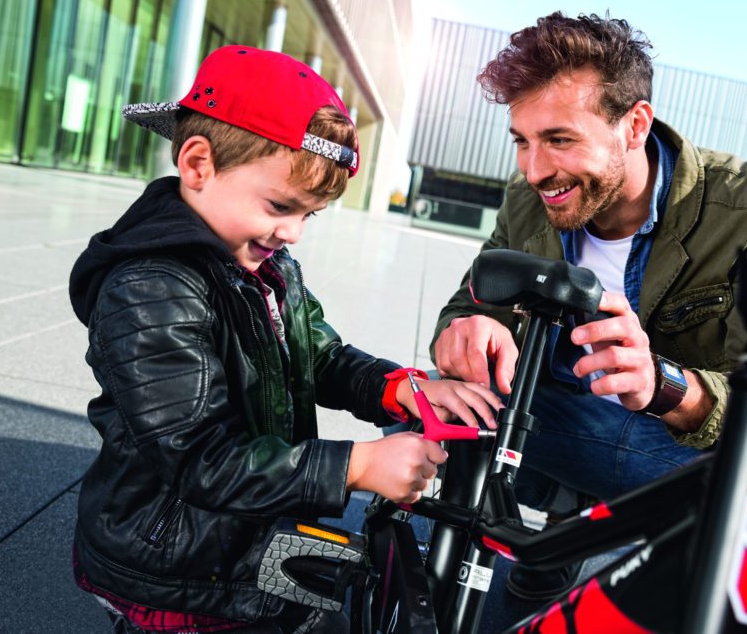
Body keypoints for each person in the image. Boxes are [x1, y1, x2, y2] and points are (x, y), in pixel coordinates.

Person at [68, 45, 502, 633]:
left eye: (310, 216)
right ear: (198, 165)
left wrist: (399, 388)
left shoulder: (259, 262)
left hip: (239, 532)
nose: (293, 232)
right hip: (178, 563)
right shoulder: (149, 289)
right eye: (280, 206)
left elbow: (316, 354)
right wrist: (354, 465)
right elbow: (201, 459)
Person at [430, 13, 747, 600]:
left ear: (634, 125)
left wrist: (664, 386)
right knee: (430, 413)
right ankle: (554, 539)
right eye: (522, 141)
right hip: (560, 425)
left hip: (674, 451)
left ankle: (590, 552)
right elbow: (469, 301)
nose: (535, 170)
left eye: (560, 139)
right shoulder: (528, 199)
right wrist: (462, 331)